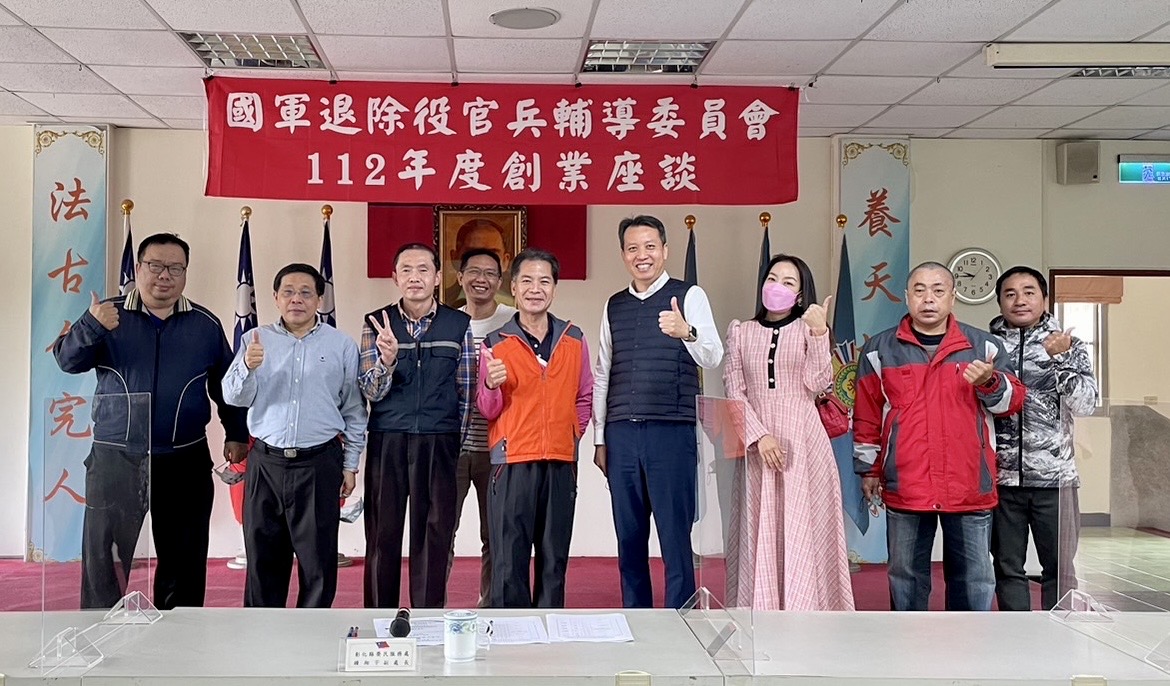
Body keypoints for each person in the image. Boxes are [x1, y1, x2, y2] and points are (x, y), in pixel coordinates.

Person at [53, 232, 249, 610]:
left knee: (184, 561)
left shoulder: (204, 324)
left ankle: (178, 636)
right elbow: (67, 361)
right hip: (116, 458)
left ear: (185, 273)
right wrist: (91, 325)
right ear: (139, 268)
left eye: (175, 268)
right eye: (155, 266)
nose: (165, 275)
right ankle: (101, 630)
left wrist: (236, 433)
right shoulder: (108, 315)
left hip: (184, 460)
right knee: (105, 561)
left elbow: (226, 386)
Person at [853, 261, 1025, 611]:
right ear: (906, 297)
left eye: (937, 290)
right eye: (919, 291)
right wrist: (868, 469)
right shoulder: (879, 349)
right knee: (905, 576)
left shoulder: (984, 347)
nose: (928, 299)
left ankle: (970, 641)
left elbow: (1012, 403)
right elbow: (867, 414)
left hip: (968, 482)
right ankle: (907, 638)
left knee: (973, 578)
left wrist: (989, 382)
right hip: (907, 481)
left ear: (952, 297)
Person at [593, 215, 724, 609]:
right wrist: (599, 439)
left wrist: (688, 332)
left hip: (671, 431)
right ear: (623, 255)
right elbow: (603, 372)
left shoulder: (690, 295)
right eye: (633, 248)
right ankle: (636, 616)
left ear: (665, 250)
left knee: (674, 536)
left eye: (650, 246)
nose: (642, 255)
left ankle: (681, 618)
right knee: (629, 537)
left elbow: (713, 355)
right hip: (621, 434)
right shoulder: (614, 305)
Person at [222, 263, 367, 608]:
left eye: (305, 292)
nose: (296, 299)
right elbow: (233, 397)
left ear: (319, 299)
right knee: (262, 561)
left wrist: (350, 465)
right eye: (288, 292)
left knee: (318, 563)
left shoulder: (341, 345)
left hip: (319, 463)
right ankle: (262, 634)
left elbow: (354, 410)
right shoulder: (255, 340)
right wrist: (247, 366)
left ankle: (311, 634)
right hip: (266, 463)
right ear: (275, 297)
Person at [722, 254, 855, 611]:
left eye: (788, 282)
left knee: (802, 524)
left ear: (800, 294)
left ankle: (806, 610)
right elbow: (734, 391)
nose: (776, 286)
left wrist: (819, 333)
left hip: (803, 440)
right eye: (772, 278)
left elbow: (818, 383)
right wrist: (759, 436)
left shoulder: (809, 329)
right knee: (760, 524)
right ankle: (762, 609)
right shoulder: (741, 331)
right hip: (758, 444)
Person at [360, 243, 474, 608]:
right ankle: (379, 615)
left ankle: (427, 618)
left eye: (423, 269)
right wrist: (387, 361)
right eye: (406, 270)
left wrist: (454, 440)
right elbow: (370, 391)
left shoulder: (459, 324)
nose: (415, 277)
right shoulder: (376, 323)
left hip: (439, 440)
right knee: (382, 533)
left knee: (434, 533)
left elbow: (466, 390)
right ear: (395, 277)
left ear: (437, 277)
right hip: (388, 439)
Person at [477, 249, 593, 608]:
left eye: (544, 281)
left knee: (554, 559)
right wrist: (491, 385)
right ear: (513, 287)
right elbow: (487, 408)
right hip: (512, 462)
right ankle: (509, 634)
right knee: (508, 561)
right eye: (526, 280)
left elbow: (585, 395)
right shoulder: (495, 343)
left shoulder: (574, 339)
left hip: (560, 461)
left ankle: (549, 629)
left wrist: (571, 433)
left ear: (554, 288)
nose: (535, 288)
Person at [990, 266, 1098, 611]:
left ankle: (1060, 633)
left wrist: (1061, 358)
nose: (1019, 300)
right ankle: (1016, 633)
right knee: (1007, 567)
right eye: (1010, 294)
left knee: (1060, 569)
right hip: (1002, 479)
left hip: (1056, 481)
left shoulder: (1069, 345)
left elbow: (1086, 404)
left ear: (1045, 299)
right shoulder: (987, 347)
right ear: (1000, 302)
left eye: (1029, 292)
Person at [447, 247, 517, 607]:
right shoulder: (448, 323)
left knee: (497, 535)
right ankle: (434, 605)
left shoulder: (513, 323)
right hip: (453, 448)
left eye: (490, 273)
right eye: (474, 271)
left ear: (500, 281)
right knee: (442, 531)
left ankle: (491, 606)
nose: (481, 279)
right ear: (460, 278)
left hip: (498, 448)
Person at [443, 219, 514, 308]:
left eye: (492, 254)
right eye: (471, 253)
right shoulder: (439, 304)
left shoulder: (518, 310)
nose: (481, 261)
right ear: (455, 258)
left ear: (505, 261)